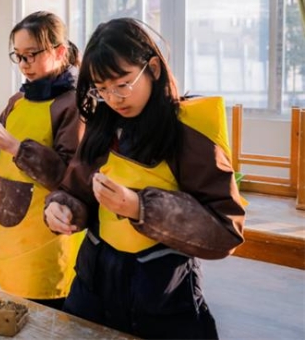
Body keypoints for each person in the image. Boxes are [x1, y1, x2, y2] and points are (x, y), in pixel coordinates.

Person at [43, 18, 247, 339]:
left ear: (152, 68)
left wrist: (141, 207)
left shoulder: (189, 132)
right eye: (102, 88)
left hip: (161, 293)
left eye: (122, 83)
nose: (113, 98)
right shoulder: (102, 125)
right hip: (94, 284)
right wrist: (62, 207)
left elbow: (226, 231)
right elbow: (74, 189)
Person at [0, 11, 84, 310]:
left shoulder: (73, 104)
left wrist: (17, 147)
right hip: (10, 234)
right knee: (15, 312)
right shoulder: (18, 100)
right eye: (18, 56)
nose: (24, 65)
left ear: (59, 51)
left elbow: (70, 177)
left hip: (48, 235)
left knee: (46, 316)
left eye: (31, 55)